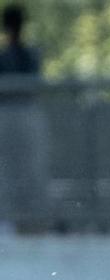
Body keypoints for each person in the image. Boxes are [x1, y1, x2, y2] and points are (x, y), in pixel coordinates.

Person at [0, 2, 47, 232]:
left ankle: (32, 220)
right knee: (7, 171)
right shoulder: (4, 58)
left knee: (30, 169)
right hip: (7, 119)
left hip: (26, 118)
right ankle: (9, 220)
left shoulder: (30, 55)